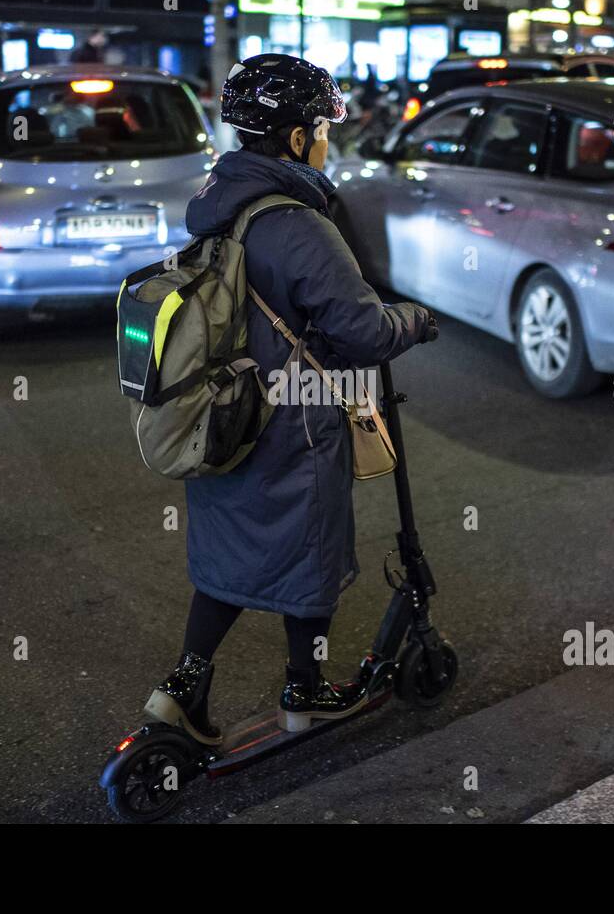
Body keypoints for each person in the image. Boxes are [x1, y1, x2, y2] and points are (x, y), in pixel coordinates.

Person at [143, 55, 436, 745]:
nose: (328, 140)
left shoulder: (219, 205)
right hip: (292, 426)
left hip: (226, 416)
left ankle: (182, 686)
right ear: (298, 140)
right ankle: (305, 691)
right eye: (321, 129)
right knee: (309, 555)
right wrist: (415, 322)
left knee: (229, 554)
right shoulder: (299, 223)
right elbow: (362, 328)